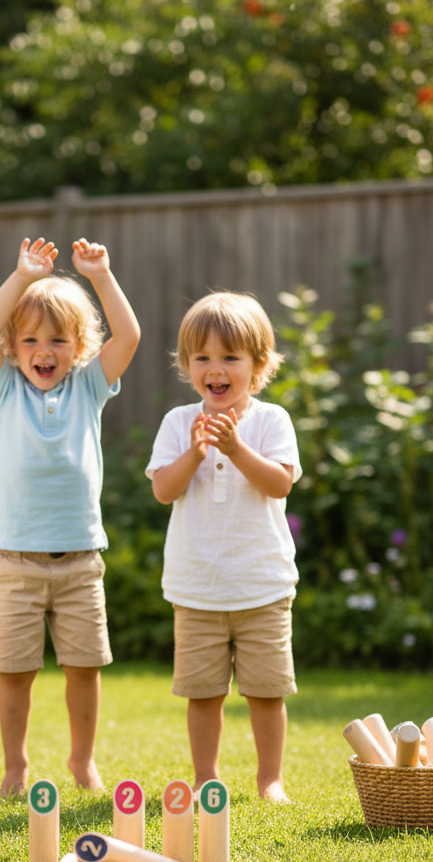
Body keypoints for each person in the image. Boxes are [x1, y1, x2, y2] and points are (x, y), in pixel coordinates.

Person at [0, 236, 141, 796]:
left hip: (79, 560)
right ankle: (15, 766)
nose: (45, 351)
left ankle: (82, 762)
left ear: (80, 347)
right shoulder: (2, 390)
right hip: (15, 560)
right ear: (13, 348)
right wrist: (21, 277)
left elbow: (130, 335)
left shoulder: (90, 387)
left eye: (58, 341)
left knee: (84, 669)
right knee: (16, 672)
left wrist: (101, 276)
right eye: (31, 340)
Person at [145, 292, 300, 803]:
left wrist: (235, 449)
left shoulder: (270, 421)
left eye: (230, 357)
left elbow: (278, 484)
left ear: (258, 366)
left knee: (266, 692)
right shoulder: (177, 422)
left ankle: (268, 778)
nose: (216, 368)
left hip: (262, 586)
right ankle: (205, 777)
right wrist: (197, 452)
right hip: (197, 589)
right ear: (187, 364)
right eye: (203, 357)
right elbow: (164, 490)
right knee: (203, 694)